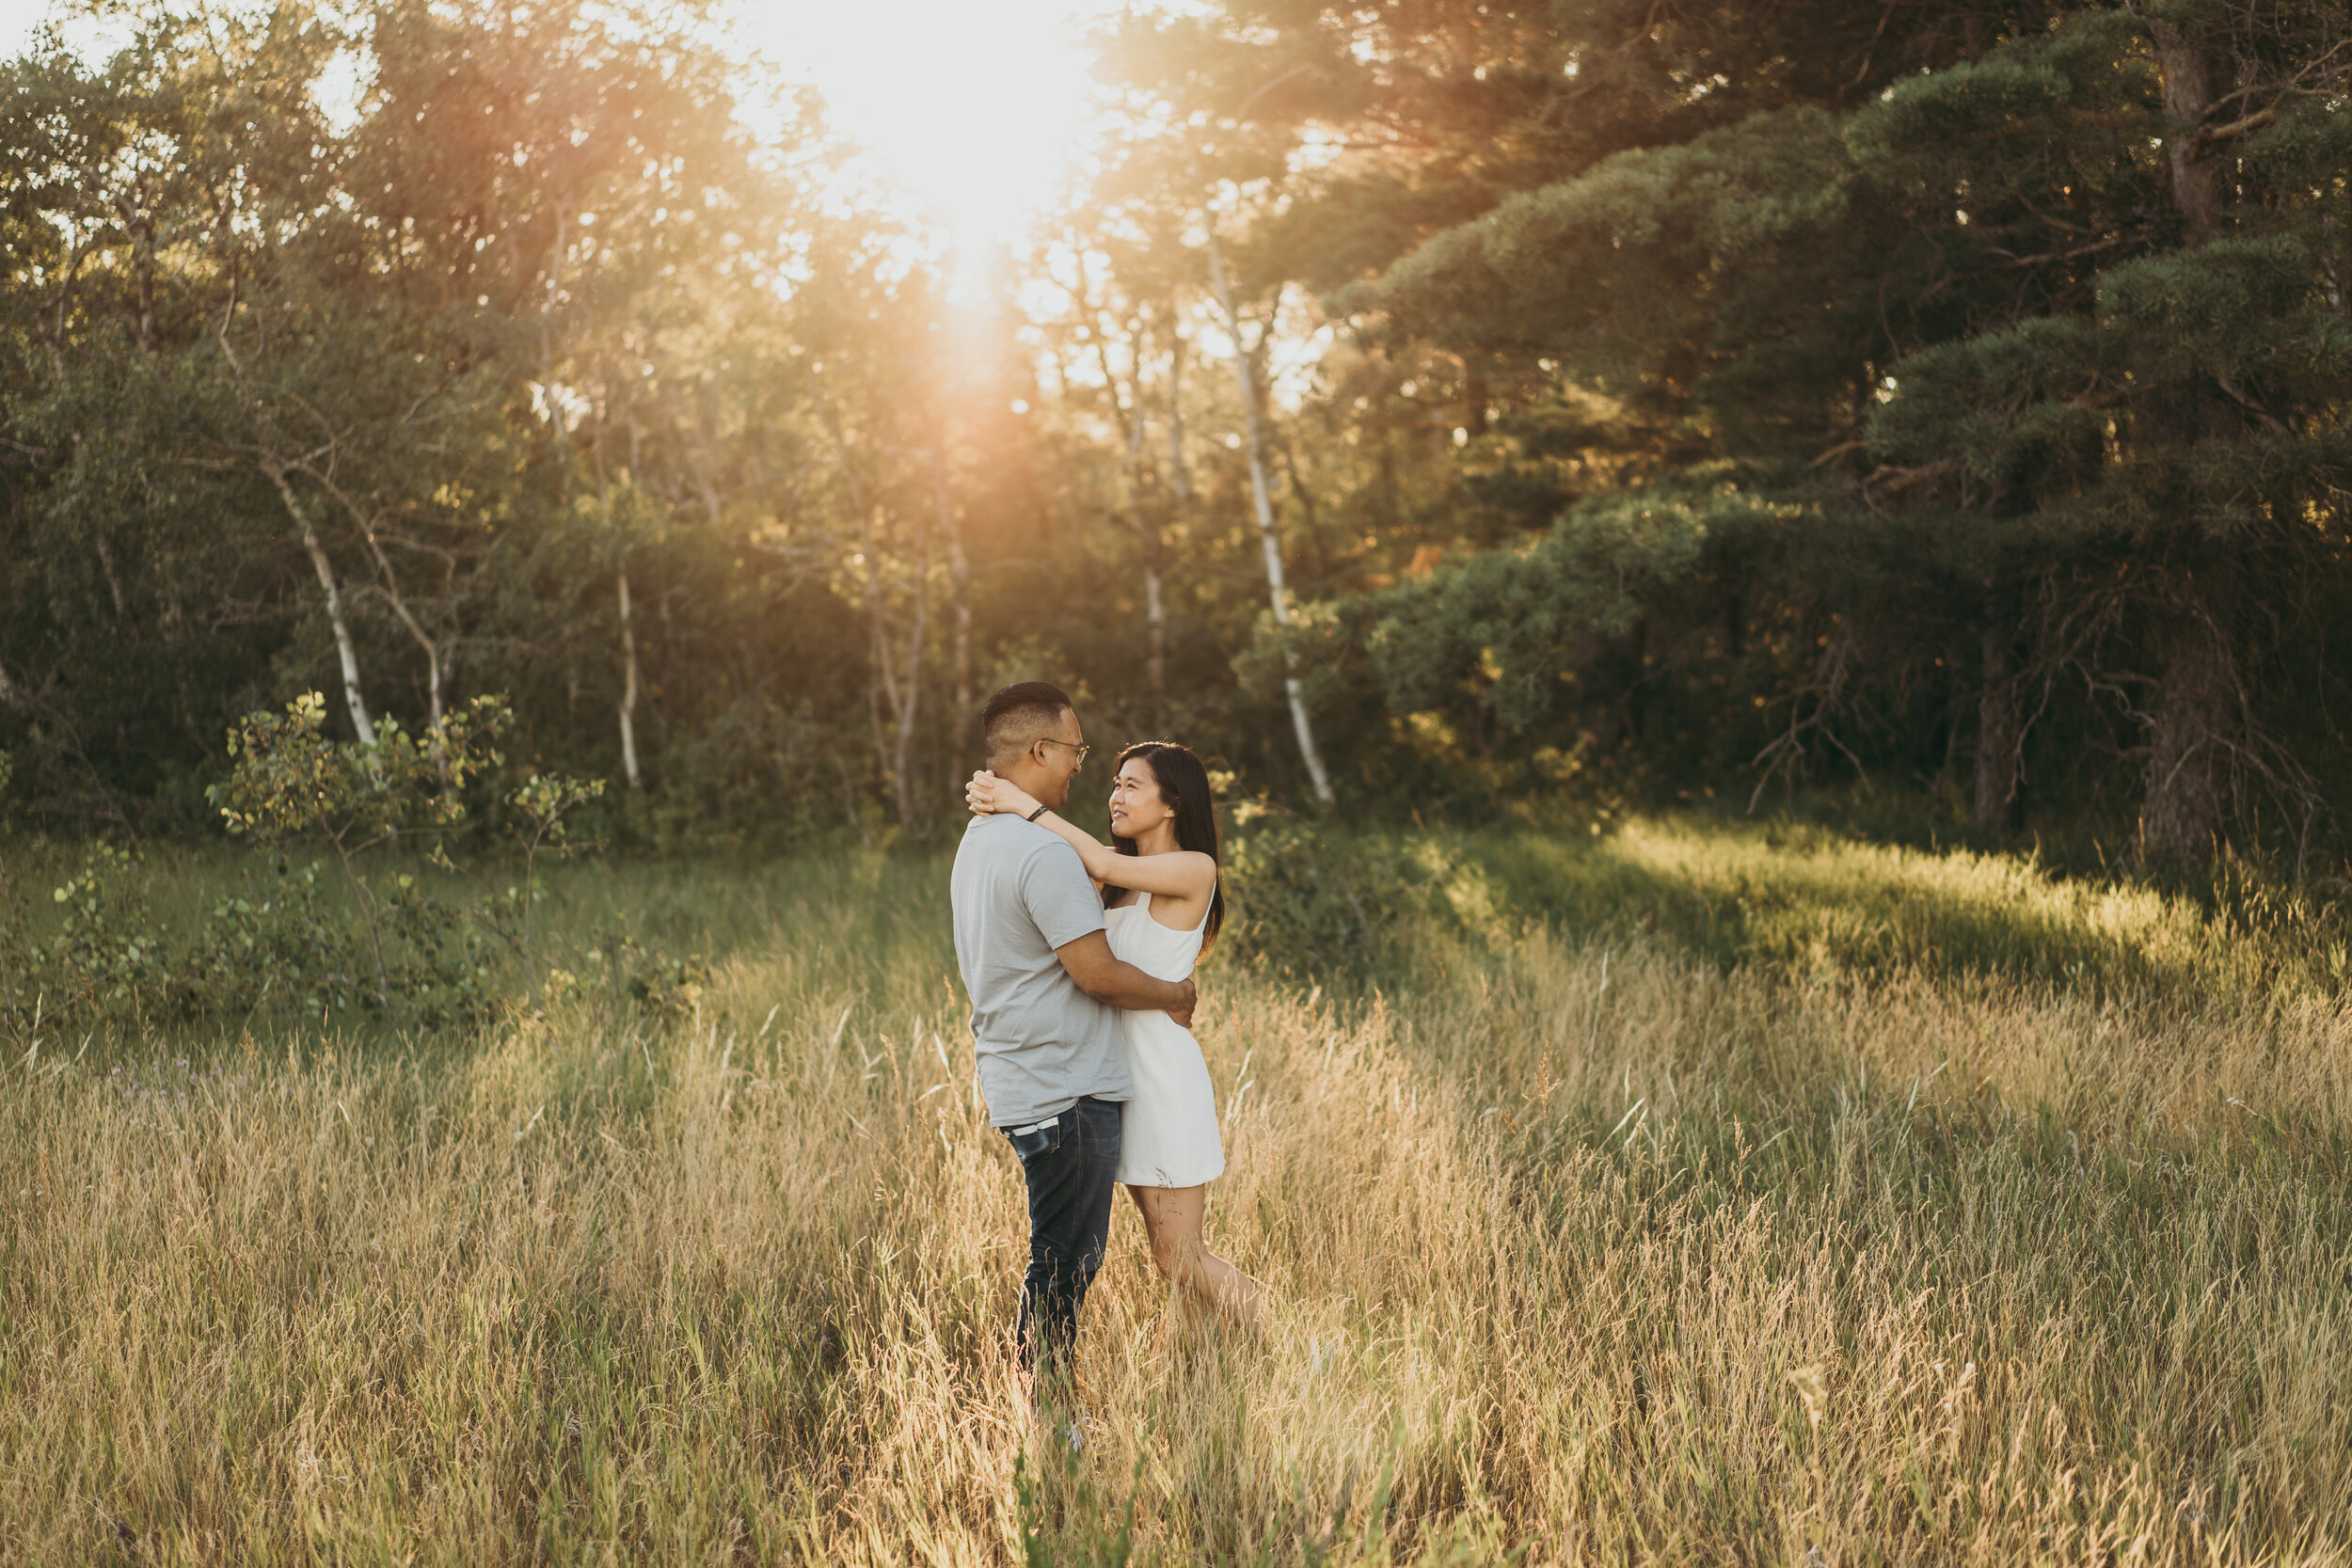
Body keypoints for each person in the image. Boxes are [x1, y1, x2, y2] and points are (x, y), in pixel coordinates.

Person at [968, 740, 1267, 1338]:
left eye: (1132, 785)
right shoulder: (1112, 871)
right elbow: (1072, 865)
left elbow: (1096, 862)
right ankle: (1209, 1376)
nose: (1115, 795)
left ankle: (1300, 1352)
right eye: (1114, 782)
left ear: (1172, 804)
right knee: (1170, 1262)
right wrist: (991, 795)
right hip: (1114, 1081)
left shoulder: (1192, 867)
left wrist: (1020, 800)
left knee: (1180, 1256)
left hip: (1161, 1076)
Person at [950, 682, 1198, 1392]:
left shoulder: (979, 840)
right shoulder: (1041, 852)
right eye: (1076, 750)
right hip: (1066, 1089)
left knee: (1059, 1253)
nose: (1079, 767)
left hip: (1020, 1078)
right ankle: (1048, 1418)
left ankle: (1042, 1407)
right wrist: (1176, 993)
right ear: (1039, 749)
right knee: (1066, 1259)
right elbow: (1099, 975)